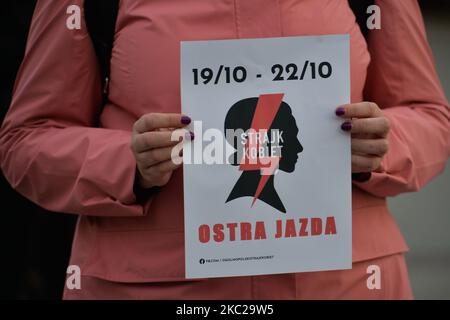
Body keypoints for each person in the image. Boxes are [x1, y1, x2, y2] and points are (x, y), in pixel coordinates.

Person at [1, 0, 449, 299]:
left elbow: (429, 115)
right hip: (152, 288)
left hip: (342, 285)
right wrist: (126, 163)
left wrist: (384, 144)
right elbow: (28, 138)